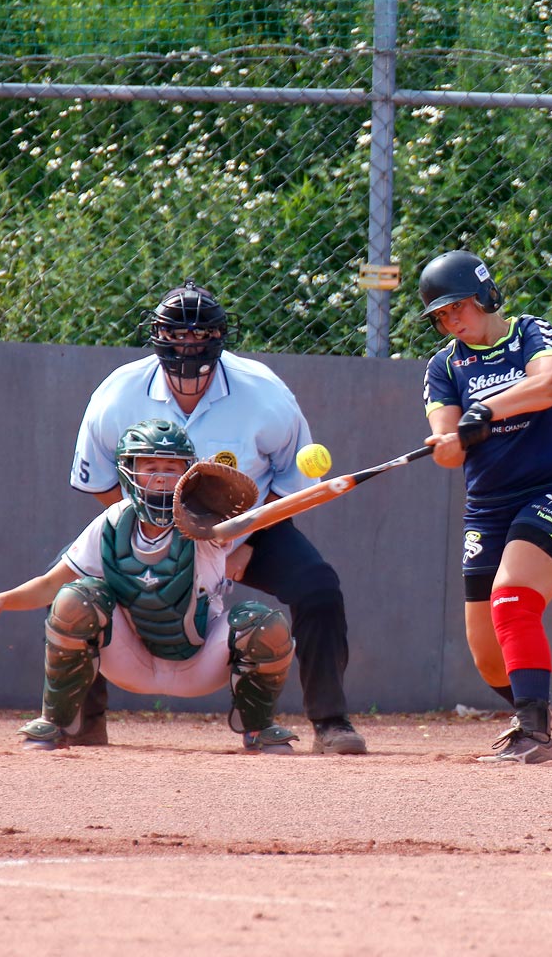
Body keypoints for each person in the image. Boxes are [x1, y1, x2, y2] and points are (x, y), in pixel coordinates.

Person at [69, 281, 365, 754]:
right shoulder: (118, 394)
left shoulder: (264, 393)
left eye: (199, 335)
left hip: (248, 526)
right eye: (177, 335)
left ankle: (331, 722)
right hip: (149, 524)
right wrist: (147, 539)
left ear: (219, 339)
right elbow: (101, 483)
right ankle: (82, 721)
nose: (188, 345)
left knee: (319, 587)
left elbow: (292, 488)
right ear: (157, 337)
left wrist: (241, 546)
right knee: (77, 591)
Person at [0, 419, 299, 752]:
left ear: (188, 472)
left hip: (200, 662)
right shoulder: (112, 522)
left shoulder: (204, 522)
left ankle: (258, 728)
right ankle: (57, 722)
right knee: (76, 597)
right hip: (130, 659)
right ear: (128, 471)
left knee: (264, 624)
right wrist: (3, 599)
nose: (162, 477)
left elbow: (235, 519)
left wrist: (212, 512)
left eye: (172, 467)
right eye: (150, 466)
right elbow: (52, 583)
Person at [418, 250, 552, 764]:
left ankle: (535, 734)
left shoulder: (530, 333)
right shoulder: (445, 365)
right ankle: (530, 710)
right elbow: (448, 451)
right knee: (488, 657)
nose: (452, 322)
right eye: (442, 316)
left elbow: (549, 384)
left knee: (513, 597)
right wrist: (449, 440)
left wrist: (487, 410)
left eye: (459, 309)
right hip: (487, 509)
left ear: (486, 296)